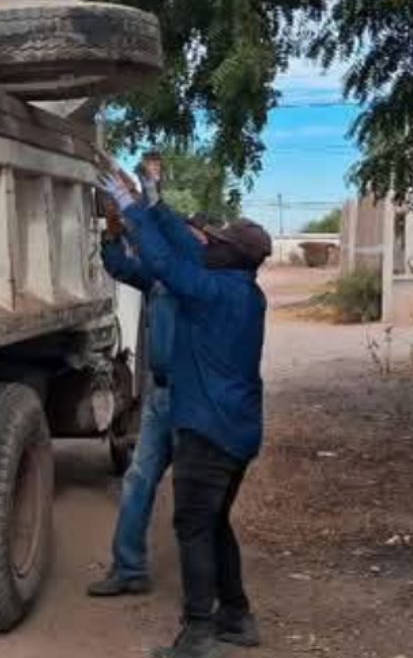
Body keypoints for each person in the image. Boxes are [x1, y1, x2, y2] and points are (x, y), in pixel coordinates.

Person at [100, 163, 272, 658]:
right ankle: (236, 617)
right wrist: (153, 202)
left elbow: (162, 258)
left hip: (207, 431)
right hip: (236, 431)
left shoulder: (210, 294)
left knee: (192, 526)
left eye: (215, 242)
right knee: (214, 522)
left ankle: (198, 635)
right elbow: (181, 243)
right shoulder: (240, 290)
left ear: (229, 256)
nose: (207, 243)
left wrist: (133, 211)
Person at [88, 151, 206, 599]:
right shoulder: (162, 278)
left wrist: (140, 201)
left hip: (194, 397)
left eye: (191, 232)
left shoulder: (197, 277)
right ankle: (129, 569)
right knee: (139, 478)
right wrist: (114, 230)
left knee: (197, 493)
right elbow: (120, 265)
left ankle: (210, 590)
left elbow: (161, 243)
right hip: (162, 395)